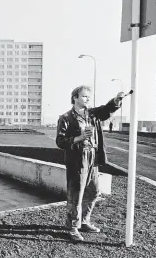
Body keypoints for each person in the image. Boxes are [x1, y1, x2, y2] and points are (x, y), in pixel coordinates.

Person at [56, 85, 124, 241]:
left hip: (92, 158)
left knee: (93, 192)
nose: (88, 99)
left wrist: (116, 100)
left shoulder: (92, 114)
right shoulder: (66, 118)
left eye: (89, 97)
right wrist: (79, 138)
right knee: (76, 195)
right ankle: (73, 227)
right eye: (85, 96)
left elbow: (106, 109)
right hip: (77, 160)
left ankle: (84, 221)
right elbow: (60, 141)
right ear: (75, 97)